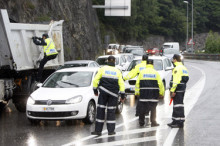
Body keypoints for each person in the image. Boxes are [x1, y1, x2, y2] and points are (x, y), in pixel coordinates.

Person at [91, 56, 125, 136]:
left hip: (103, 93)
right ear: (114, 62)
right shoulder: (118, 71)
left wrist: (95, 90)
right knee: (111, 112)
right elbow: (121, 84)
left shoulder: (103, 69)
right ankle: (111, 131)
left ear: (107, 61)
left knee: (100, 111)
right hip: (113, 95)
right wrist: (122, 96)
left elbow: (95, 80)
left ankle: (98, 131)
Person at [135, 59, 164, 127]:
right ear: (153, 64)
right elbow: (160, 84)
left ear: (146, 64)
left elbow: (137, 83)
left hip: (143, 93)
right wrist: (161, 93)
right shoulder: (155, 73)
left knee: (142, 108)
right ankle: (153, 122)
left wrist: (137, 92)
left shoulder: (142, 72)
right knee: (153, 108)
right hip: (153, 94)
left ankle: (141, 122)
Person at [167, 54, 189, 128]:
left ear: (175, 59)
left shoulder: (177, 68)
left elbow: (176, 81)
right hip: (182, 88)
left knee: (178, 105)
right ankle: (175, 120)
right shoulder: (184, 68)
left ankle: (179, 122)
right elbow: (186, 79)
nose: (172, 61)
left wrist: (173, 91)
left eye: (173, 59)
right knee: (177, 105)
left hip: (177, 89)